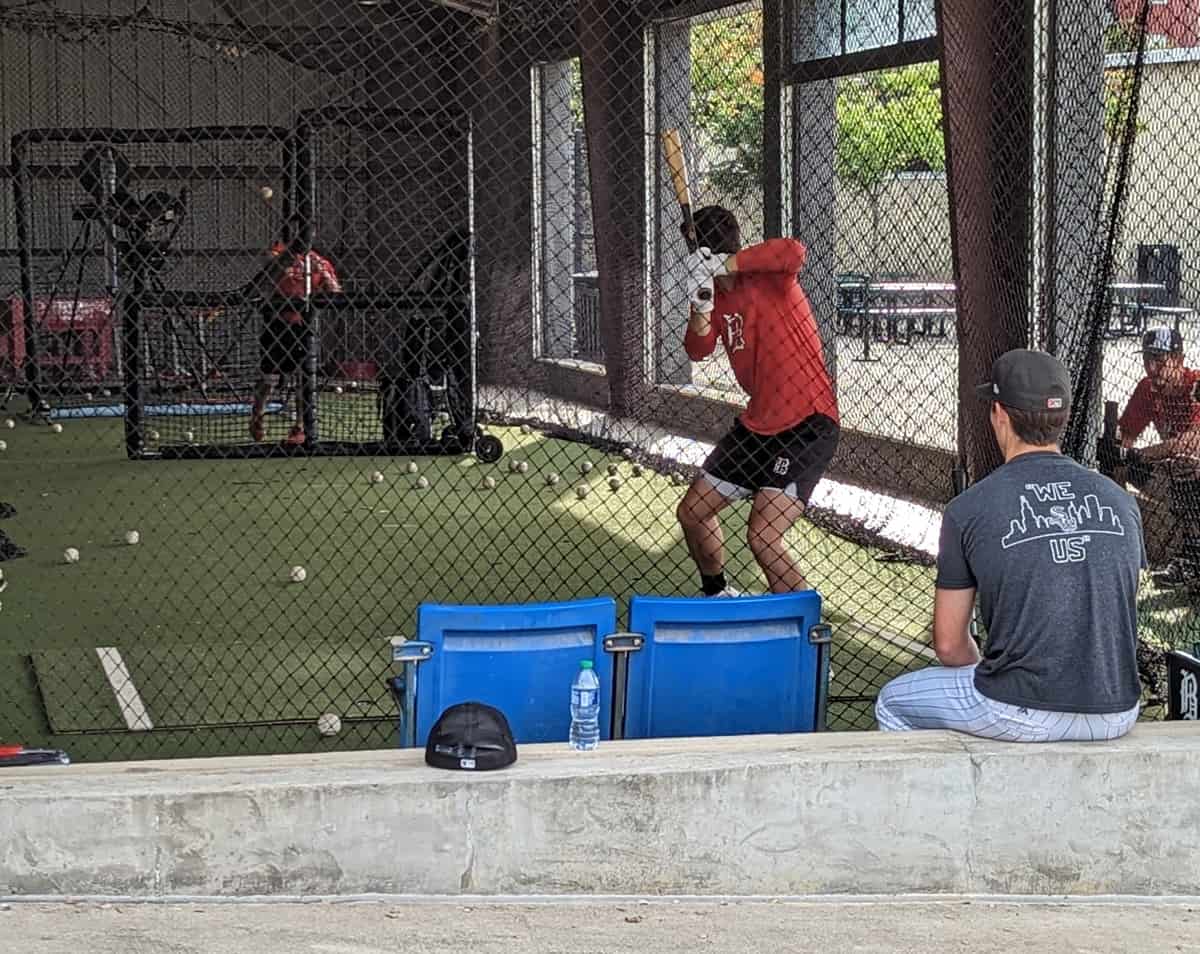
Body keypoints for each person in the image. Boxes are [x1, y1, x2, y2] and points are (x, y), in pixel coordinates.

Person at [875, 350, 1145, 742]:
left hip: (1018, 710)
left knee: (892, 702)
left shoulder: (968, 508)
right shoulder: (1120, 500)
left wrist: (989, 670)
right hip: (1118, 710)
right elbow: (1119, 604)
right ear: (1064, 418)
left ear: (999, 413)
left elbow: (950, 646)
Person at [676, 206, 839, 596]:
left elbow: (793, 251)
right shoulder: (713, 294)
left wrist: (724, 263)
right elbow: (697, 349)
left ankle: (808, 645)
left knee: (763, 536)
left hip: (806, 423)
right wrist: (700, 305)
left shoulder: (768, 276)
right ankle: (716, 594)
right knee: (693, 513)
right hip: (755, 428)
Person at [1113, 327, 1200, 590]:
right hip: (1178, 473)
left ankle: (1193, 553)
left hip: (1191, 467)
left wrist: (1144, 453)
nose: (1152, 368)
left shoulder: (1195, 385)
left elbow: (1193, 442)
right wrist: (1122, 455)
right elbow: (1123, 437)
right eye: (1147, 359)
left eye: (1160, 360)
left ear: (1179, 359)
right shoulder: (1147, 389)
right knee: (1123, 463)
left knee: (1185, 462)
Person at [248, 215, 342, 444]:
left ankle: (300, 426)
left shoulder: (319, 262)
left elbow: (335, 292)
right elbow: (268, 277)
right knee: (268, 377)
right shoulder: (277, 255)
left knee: (304, 378)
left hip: (304, 326)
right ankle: (257, 416)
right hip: (277, 324)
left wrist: (323, 275)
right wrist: (289, 261)